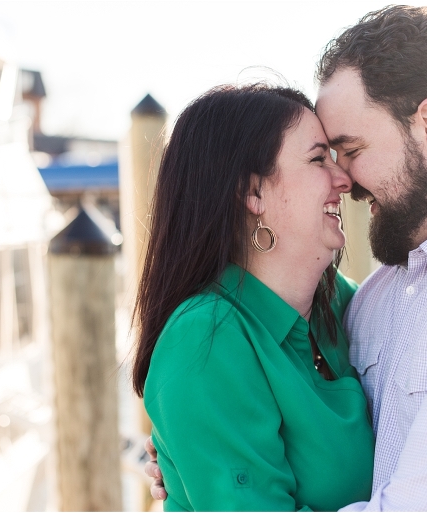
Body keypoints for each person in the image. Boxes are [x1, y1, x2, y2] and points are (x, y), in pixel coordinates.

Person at [146, 5, 427, 511]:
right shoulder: (376, 296)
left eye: (351, 149)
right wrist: (190, 452)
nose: (347, 181)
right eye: (324, 158)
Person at [132, 84, 375, 511]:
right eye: (319, 159)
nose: (345, 179)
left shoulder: (342, 306)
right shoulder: (206, 340)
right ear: (253, 192)